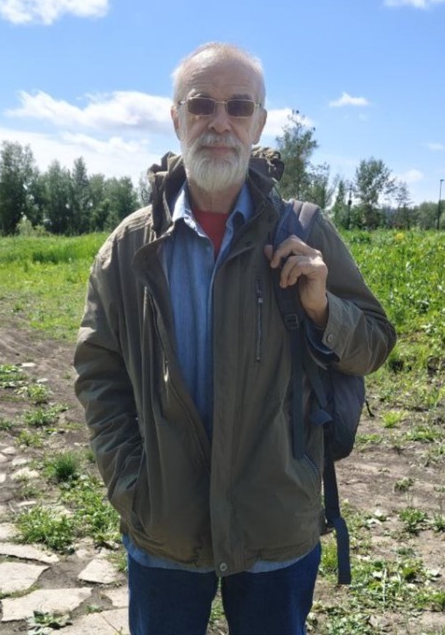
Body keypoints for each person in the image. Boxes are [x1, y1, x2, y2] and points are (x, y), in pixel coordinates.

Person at [72, 43, 396, 635]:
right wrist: (131, 484)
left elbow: (373, 344)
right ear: (176, 118)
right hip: (164, 524)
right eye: (201, 104)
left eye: (239, 105)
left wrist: (323, 308)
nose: (220, 121)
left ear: (259, 123)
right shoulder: (128, 248)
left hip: (275, 520)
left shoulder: (304, 229)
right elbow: (99, 372)